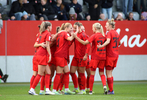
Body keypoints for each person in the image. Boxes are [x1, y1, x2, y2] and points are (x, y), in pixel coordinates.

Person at [73, 23, 107, 95]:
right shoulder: (104, 36)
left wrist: (76, 37)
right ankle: (104, 86)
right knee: (102, 73)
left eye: (92, 28)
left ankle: (90, 90)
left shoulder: (94, 36)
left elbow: (85, 43)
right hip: (103, 57)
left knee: (92, 74)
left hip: (95, 57)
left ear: (95, 28)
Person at [28, 21, 55, 95]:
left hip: (37, 55)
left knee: (48, 72)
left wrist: (40, 44)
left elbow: (35, 44)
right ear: (49, 27)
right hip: (43, 55)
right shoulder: (47, 33)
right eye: (51, 26)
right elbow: (47, 46)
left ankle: (47, 90)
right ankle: (32, 89)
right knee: (40, 74)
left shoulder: (40, 33)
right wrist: (50, 55)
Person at [97, 19, 121, 94]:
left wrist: (101, 46)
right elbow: (119, 43)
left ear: (110, 26)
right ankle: (111, 89)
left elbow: (108, 41)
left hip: (110, 55)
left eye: (106, 25)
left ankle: (111, 90)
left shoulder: (109, 32)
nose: (105, 26)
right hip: (116, 55)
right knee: (110, 73)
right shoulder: (116, 33)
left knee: (108, 73)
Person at [52, 23, 76, 95]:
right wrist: (74, 34)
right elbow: (70, 38)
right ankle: (54, 90)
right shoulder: (65, 33)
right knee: (59, 73)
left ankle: (66, 89)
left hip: (61, 55)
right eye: (70, 28)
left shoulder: (60, 33)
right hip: (60, 55)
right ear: (66, 28)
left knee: (67, 72)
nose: (72, 29)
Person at [70, 22, 89, 94]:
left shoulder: (83, 35)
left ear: (79, 27)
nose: (74, 29)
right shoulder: (76, 34)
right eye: (73, 28)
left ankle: (83, 90)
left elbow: (87, 45)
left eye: (75, 28)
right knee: (72, 72)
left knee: (81, 73)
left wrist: (86, 55)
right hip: (75, 57)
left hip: (82, 57)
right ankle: (76, 88)